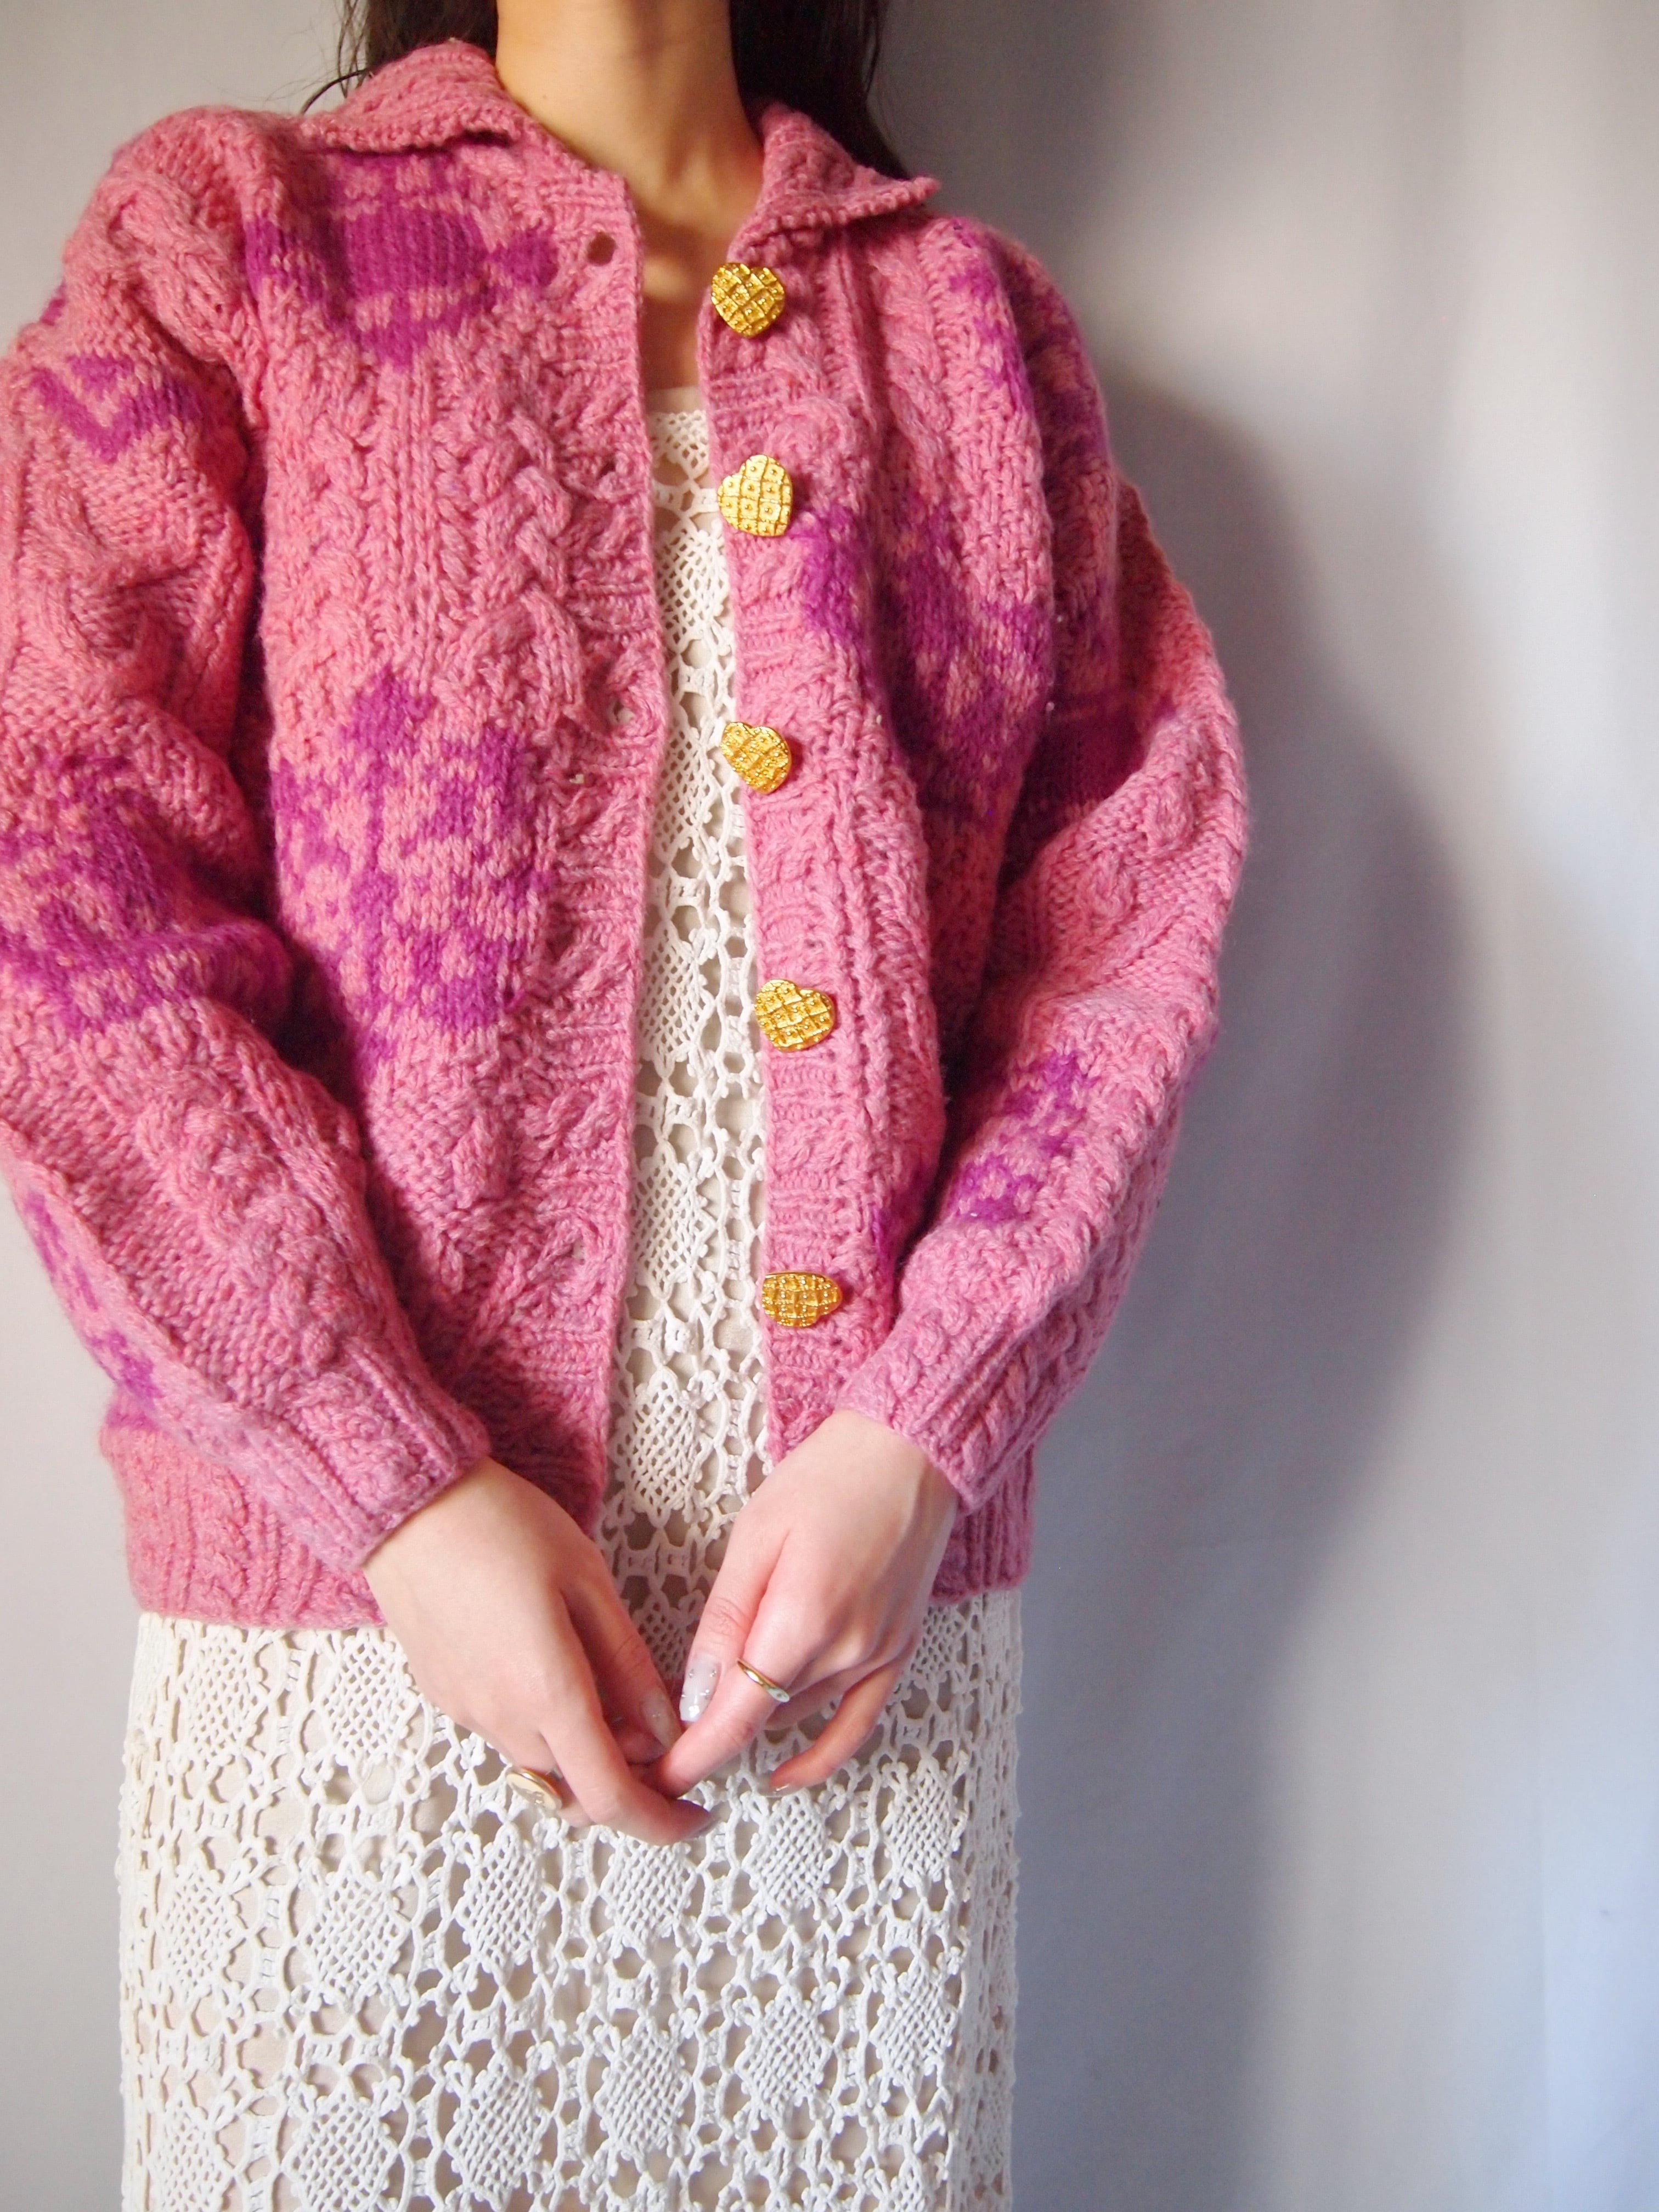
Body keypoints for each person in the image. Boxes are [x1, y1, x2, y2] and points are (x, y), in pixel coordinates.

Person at [0, 2, 1246, 2204]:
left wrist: (922, 1431)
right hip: (350, 1666)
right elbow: (61, 885)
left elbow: (1118, 936)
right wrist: (390, 1486)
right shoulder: (228, 246)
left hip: (848, 1679)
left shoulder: (977, 335)